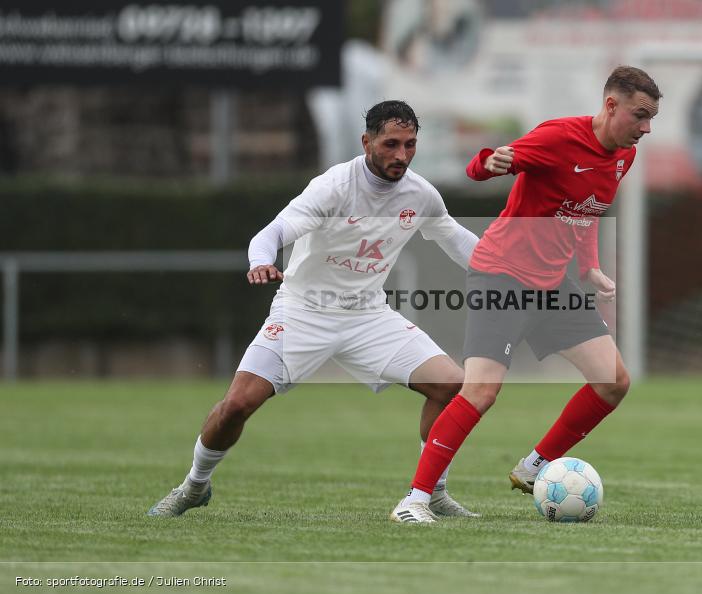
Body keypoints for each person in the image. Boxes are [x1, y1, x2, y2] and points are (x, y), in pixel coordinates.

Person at [147, 100, 481, 520]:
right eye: (391, 144)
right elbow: (271, 233)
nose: (401, 155)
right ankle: (194, 486)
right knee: (237, 405)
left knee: (451, 384)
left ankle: (431, 492)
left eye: (410, 145)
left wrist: (507, 269)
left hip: (367, 315)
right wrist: (260, 263)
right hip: (303, 311)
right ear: (367, 142)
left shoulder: (421, 194)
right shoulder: (334, 187)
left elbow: (455, 239)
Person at [391, 66, 661, 523]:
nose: (647, 128)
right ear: (611, 106)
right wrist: (489, 163)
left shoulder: (622, 156)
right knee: (480, 391)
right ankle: (414, 501)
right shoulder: (558, 138)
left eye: (652, 118)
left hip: (554, 284)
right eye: (640, 116)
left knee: (613, 381)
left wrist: (589, 266)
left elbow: (589, 210)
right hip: (502, 275)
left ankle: (534, 467)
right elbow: (478, 168)